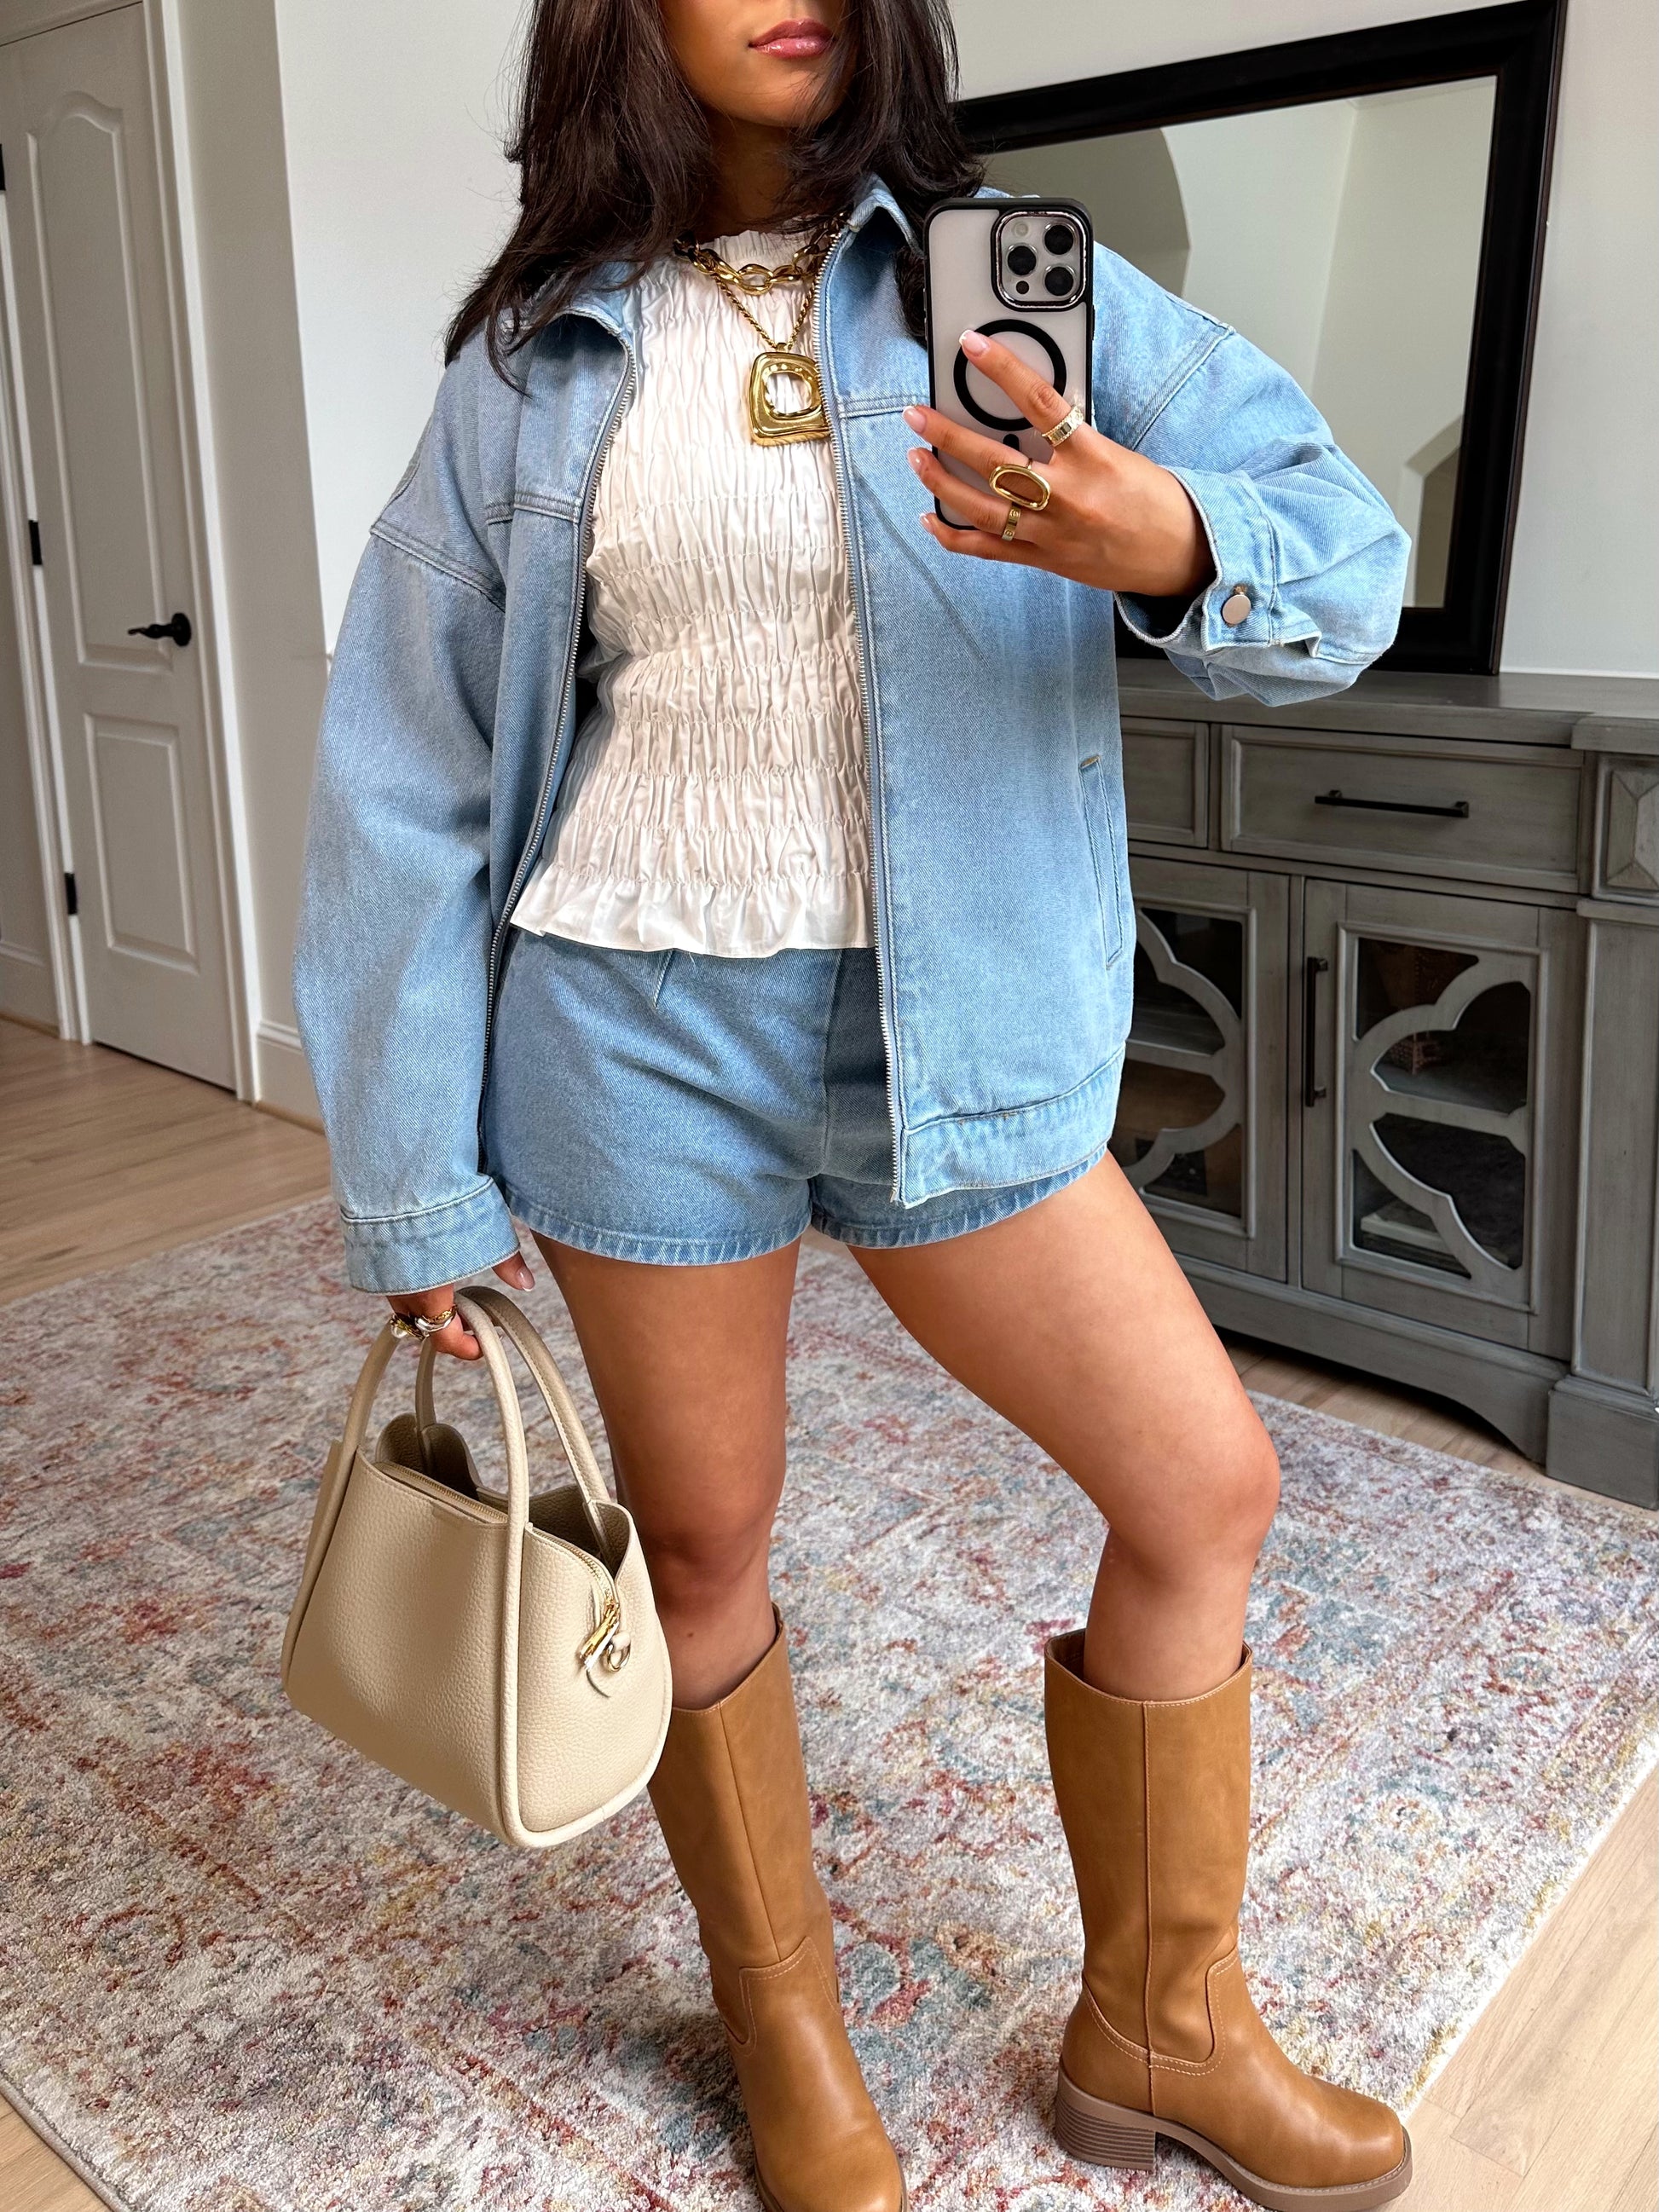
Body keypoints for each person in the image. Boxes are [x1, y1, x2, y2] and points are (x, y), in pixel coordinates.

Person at [294, 2, 1413, 2207]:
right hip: (629, 1024)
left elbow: (1343, 561)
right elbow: (402, 765)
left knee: (1201, 1488)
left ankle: (1160, 2024)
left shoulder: (1017, 284)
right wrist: (412, 1171)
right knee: (702, 1541)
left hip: (953, 1025)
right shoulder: (536, 363)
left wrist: (1170, 539)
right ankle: (783, 2030)